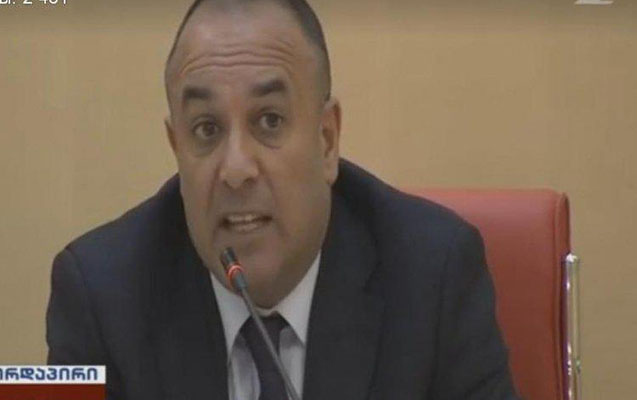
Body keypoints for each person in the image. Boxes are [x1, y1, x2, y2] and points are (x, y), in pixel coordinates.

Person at [46, 0, 519, 399]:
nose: (236, 170)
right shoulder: (97, 293)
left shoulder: (434, 275)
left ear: (327, 141)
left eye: (269, 121)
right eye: (206, 129)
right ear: (177, 148)